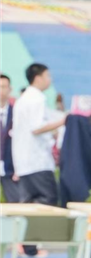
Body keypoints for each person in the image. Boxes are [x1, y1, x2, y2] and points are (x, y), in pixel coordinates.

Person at [10, 63, 65, 205]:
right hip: (38, 162)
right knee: (49, 201)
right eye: (47, 76)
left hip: (24, 163)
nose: (50, 79)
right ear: (38, 78)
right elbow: (36, 127)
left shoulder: (23, 99)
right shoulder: (37, 98)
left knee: (28, 203)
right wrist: (63, 121)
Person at [0, 73, 21, 203]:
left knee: (15, 203)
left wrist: (19, 168)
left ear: (10, 89)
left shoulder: (17, 113)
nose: (1, 90)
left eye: (4, 87)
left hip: (10, 168)